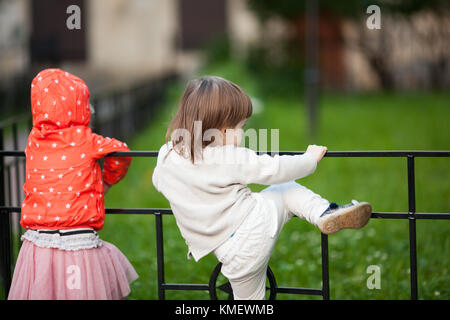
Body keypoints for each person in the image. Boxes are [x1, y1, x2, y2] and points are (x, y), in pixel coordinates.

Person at [152, 76, 372, 300]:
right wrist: (309, 159)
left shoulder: (167, 155)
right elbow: (275, 169)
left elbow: (158, 182)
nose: (242, 135)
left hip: (226, 252)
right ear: (221, 128)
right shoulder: (229, 156)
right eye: (240, 127)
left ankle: (326, 214)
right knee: (285, 189)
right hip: (250, 231)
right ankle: (325, 213)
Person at [8, 68, 138, 300]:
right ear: (81, 106)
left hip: (37, 243)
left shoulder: (33, 141)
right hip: (77, 242)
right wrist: (107, 180)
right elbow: (121, 152)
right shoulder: (87, 141)